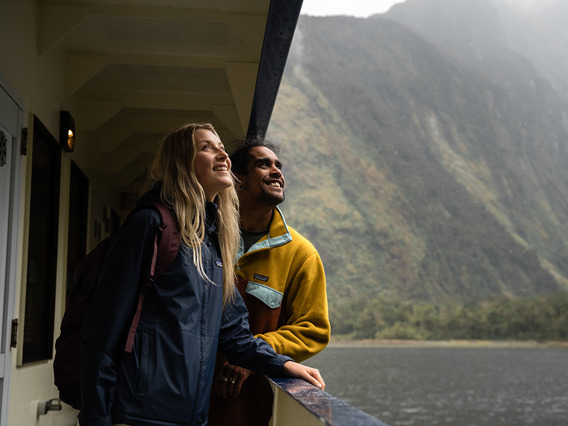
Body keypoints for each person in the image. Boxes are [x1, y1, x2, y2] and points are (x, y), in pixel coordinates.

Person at [79, 123, 324, 426]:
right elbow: (101, 334)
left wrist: (284, 365)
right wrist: (96, 419)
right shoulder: (151, 226)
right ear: (181, 162)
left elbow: (235, 335)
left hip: (193, 418)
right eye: (207, 147)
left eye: (221, 147)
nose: (222, 153)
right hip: (139, 416)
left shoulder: (215, 246)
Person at [208, 137, 331, 426]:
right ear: (237, 179)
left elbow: (312, 329)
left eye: (278, 165)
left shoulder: (301, 254)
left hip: (244, 406)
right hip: (182, 397)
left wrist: (253, 355)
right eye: (263, 165)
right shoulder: (205, 237)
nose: (277, 172)